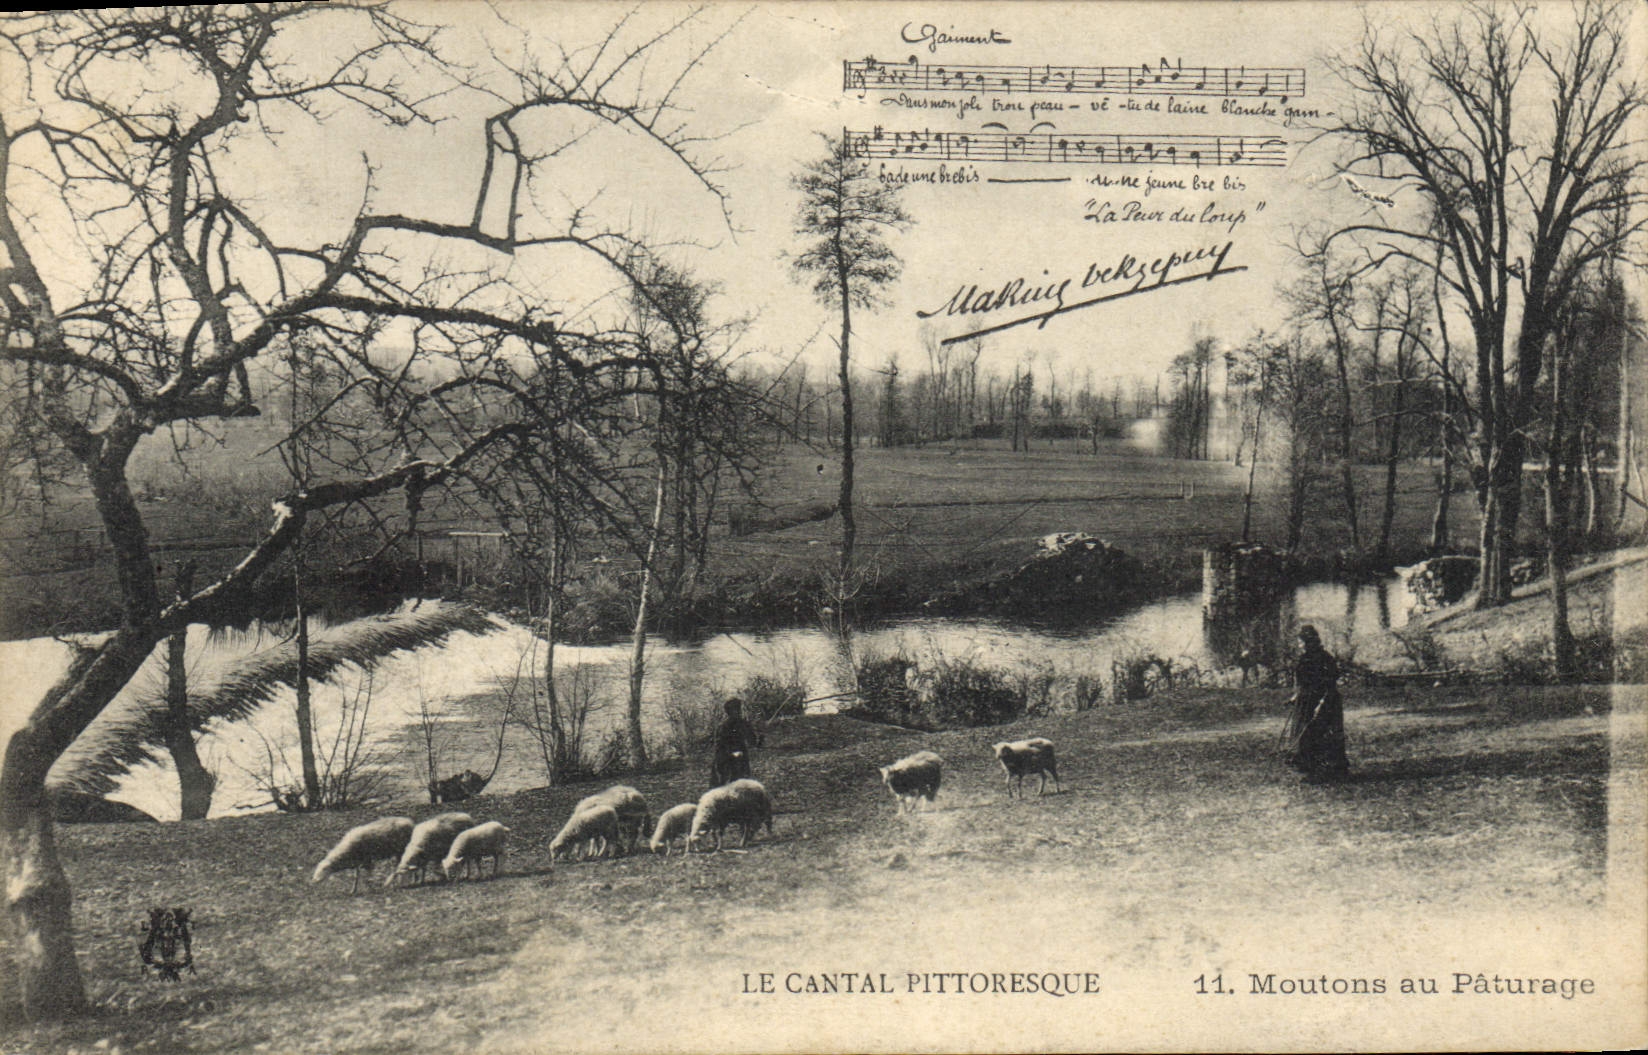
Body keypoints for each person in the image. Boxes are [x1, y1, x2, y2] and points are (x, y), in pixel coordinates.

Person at [1280, 625, 1350, 783]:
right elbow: (1304, 682)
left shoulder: (1325, 658)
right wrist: (1295, 697)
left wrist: (1321, 703)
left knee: (1320, 734)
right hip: (1305, 702)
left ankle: (1328, 770)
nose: (1300, 646)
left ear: (1310, 642)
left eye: (1302, 642)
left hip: (1324, 702)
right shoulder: (1305, 658)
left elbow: (1330, 682)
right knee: (1304, 734)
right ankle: (1309, 770)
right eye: (1299, 643)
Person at [710, 697, 763, 786]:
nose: (737, 712)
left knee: (743, 782)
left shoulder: (744, 724)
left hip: (741, 758)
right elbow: (720, 745)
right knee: (727, 784)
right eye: (734, 710)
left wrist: (761, 738)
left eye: (738, 709)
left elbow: (752, 742)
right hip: (726, 760)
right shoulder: (724, 726)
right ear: (728, 712)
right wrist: (732, 753)